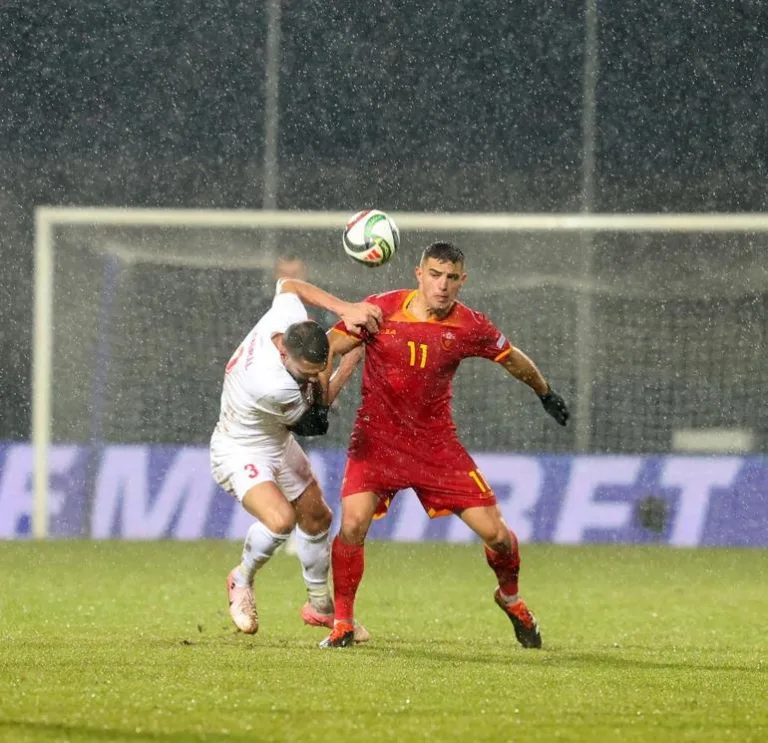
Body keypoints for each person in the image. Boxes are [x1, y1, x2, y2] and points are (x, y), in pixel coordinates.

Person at [318, 241, 569, 649]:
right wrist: (316, 395)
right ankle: (343, 622)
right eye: (435, 274)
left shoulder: (470, 326)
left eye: (452, 278)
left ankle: (510, 598)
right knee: (351, 525)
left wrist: (545, 392)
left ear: (462, 281)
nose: (443, 285)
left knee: (498, 537)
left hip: (436, 448)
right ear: (419, 274)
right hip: (376, 442)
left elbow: (511, 357)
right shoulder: (380, 311)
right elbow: (327, 346)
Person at [210, 277, 381, 640]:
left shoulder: (286, 321)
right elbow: (317, 421)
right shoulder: (273, 385)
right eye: (308, 371)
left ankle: (319, 607)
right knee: (281, 520)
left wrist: (345, 308)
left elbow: (289, 284)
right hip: (239, 448)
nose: (313, 374)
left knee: (318, 518)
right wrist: (350, 358)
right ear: (285, 355)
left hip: (275, 440)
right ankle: (241, 580)